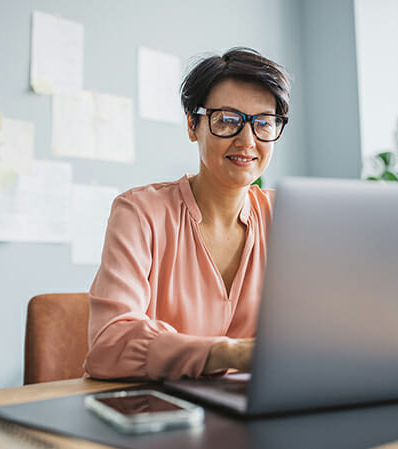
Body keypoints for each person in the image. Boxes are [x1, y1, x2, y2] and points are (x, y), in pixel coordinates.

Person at [83, 47, 290, 380]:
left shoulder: (288, 219)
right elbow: (109, 344)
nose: (248, 140)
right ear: (193, 126)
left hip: (257, 410)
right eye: (227, 120)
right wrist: (228, 352)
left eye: (263, 124)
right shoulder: (139, 214)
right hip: (156, 412)